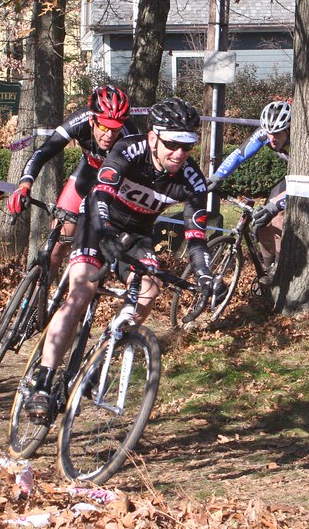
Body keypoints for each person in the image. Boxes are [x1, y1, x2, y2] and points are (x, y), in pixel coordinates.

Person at [24, 97, 216, 423]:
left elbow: (196, 234)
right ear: (153, 137)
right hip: (98, 222)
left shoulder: (192, 180)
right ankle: (42, 381)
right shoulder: (129, 149)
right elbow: (99, 193)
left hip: (137, 236)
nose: (179, 154)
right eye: (172, 144)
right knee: (81, 291)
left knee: (150, 290)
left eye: (187, 146)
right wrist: (107, 234)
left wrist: (204, 272)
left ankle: (103, 353)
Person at [6, 84, 135, 279]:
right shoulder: (79, 121)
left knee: (97, 254)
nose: (109, 135)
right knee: (57, 245)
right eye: (103, 127)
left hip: (116, 188)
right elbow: (43, 152)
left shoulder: (130, 137)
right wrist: (24, 185)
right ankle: (38, 301)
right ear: (92, 120)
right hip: (87, 175)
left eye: (115, 129)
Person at [207, 99, 291, 286]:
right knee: (262, 222)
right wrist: (218, 176)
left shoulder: (300, 141)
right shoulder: (267, 134)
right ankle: (268, 269)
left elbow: (302, 185)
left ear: (288, 129)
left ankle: (280, 267)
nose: (271, 139)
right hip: (292, 177)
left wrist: (275, 206)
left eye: (277, 134)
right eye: (268, 133)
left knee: (277, 217)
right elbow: (239, 154)